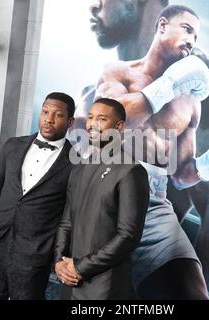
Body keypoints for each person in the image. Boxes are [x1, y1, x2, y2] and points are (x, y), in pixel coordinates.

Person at [73, 4, 209, 300]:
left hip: (154, 208)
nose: (191, 40)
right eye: (186, 29)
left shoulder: (193, 102)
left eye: (195, 35)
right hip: (105, 199)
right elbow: (112, 123)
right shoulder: (116, 73)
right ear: (162, 25)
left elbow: (182, 177)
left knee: (195, 292)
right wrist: (166, 87)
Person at [0, 92, 76, 300]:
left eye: (58, 115)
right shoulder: (12, 146)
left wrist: (53, 251)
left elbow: (69, 215)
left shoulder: (75, 164)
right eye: (45, 112)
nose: (49, 119)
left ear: (70, 121)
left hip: (34, 254)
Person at [54, 98, 150, 300]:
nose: (92, 124)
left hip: (103, 288)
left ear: (119, 126)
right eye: (90, 117)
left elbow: (128, 236)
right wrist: (59, 262)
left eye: (101, 118)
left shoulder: (131, 170)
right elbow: (66, 222)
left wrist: (80, 267)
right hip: (69, 283)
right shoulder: (79, 167)